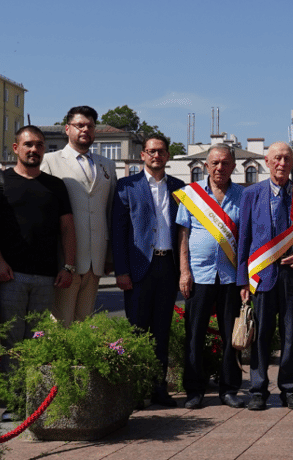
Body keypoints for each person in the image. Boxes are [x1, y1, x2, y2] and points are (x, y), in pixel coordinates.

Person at [236, 141, 293, 412]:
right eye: (277, 158)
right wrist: (242, 280)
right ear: (267, 161)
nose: (282, 163)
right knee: (261, 335)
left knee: (290, 335)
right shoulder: (251, 194)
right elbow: (244, 238)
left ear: (292, 163)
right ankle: (258, 390)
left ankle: (290, 390)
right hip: (262, 276)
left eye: (287, 158)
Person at [0, 125, 77, 356]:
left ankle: (32, 381)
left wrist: (68, 267)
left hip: (46, 277)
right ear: (16, 148)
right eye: (28, 144)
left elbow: (67, 228)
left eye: (39, 145)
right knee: (9, 339)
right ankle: (10, 381)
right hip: (10, 275)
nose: (34, 149)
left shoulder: (56, 185)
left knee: (37, 340)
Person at [112, 136, 184, 407]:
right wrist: (121, 271)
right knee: (137, 331)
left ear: (168, 156)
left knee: (162, 331)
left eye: (161, 151)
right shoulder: (126, 186)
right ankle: (136, 390)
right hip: (139, 267)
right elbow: (118, 232)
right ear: (142, 155)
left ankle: (158, 387)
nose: (156, 155)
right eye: (151, 151)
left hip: (168, 267)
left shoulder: (179, 188)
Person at [176, 144, 245, 409]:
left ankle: (229, 389)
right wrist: (184, 271)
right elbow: (183, 235)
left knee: (231, 336)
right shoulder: (191, 195)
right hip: (199, 275)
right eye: (215, 163)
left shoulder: (243, 196)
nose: (220, 168)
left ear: (233, 166)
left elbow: (247, 237)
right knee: (194, 335)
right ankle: (195, 390)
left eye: (225, 163)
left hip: (231, 277)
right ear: (206, 166)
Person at [41, 106, 115, 326]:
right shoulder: (50, 161)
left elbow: (110, 211)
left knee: (84, 324)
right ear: (67, 129)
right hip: (64, 258)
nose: (85, 130)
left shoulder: (107, 165)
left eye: (90, 126)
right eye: (79, 125)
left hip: (96, 258)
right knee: (60, 323)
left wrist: (109, 256)